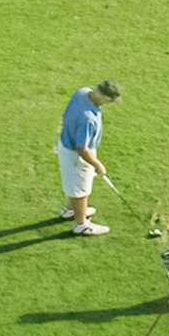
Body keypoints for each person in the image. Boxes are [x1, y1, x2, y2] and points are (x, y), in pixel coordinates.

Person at [55, 79, 121, 236]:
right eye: (110, 100)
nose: (109, 103)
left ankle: (71, 210)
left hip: (65, 143)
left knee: (76, 185)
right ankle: (81, 225)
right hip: (76, 156)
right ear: (104, 97)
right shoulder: (87, 118)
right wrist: (97, 164)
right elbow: (82, 149)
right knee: (81, 190)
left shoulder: (82, 92)